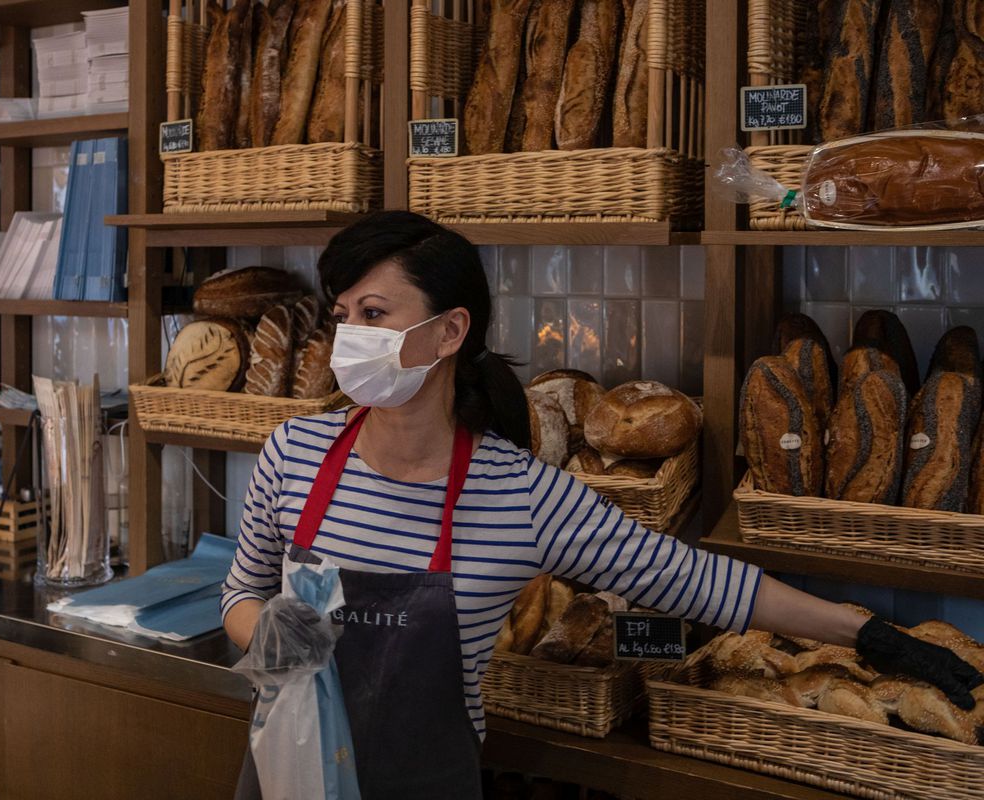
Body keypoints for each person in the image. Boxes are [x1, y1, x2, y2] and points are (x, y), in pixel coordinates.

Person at [222, 211, 982, 799]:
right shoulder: (296, 454)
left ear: (450, 330)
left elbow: (697, 581)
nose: (349, 337)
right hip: (288, 777)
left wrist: (874, 634)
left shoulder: (516, 493)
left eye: (375, 315)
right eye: (342, 315)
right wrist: (267, 629)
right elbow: (239, 595)